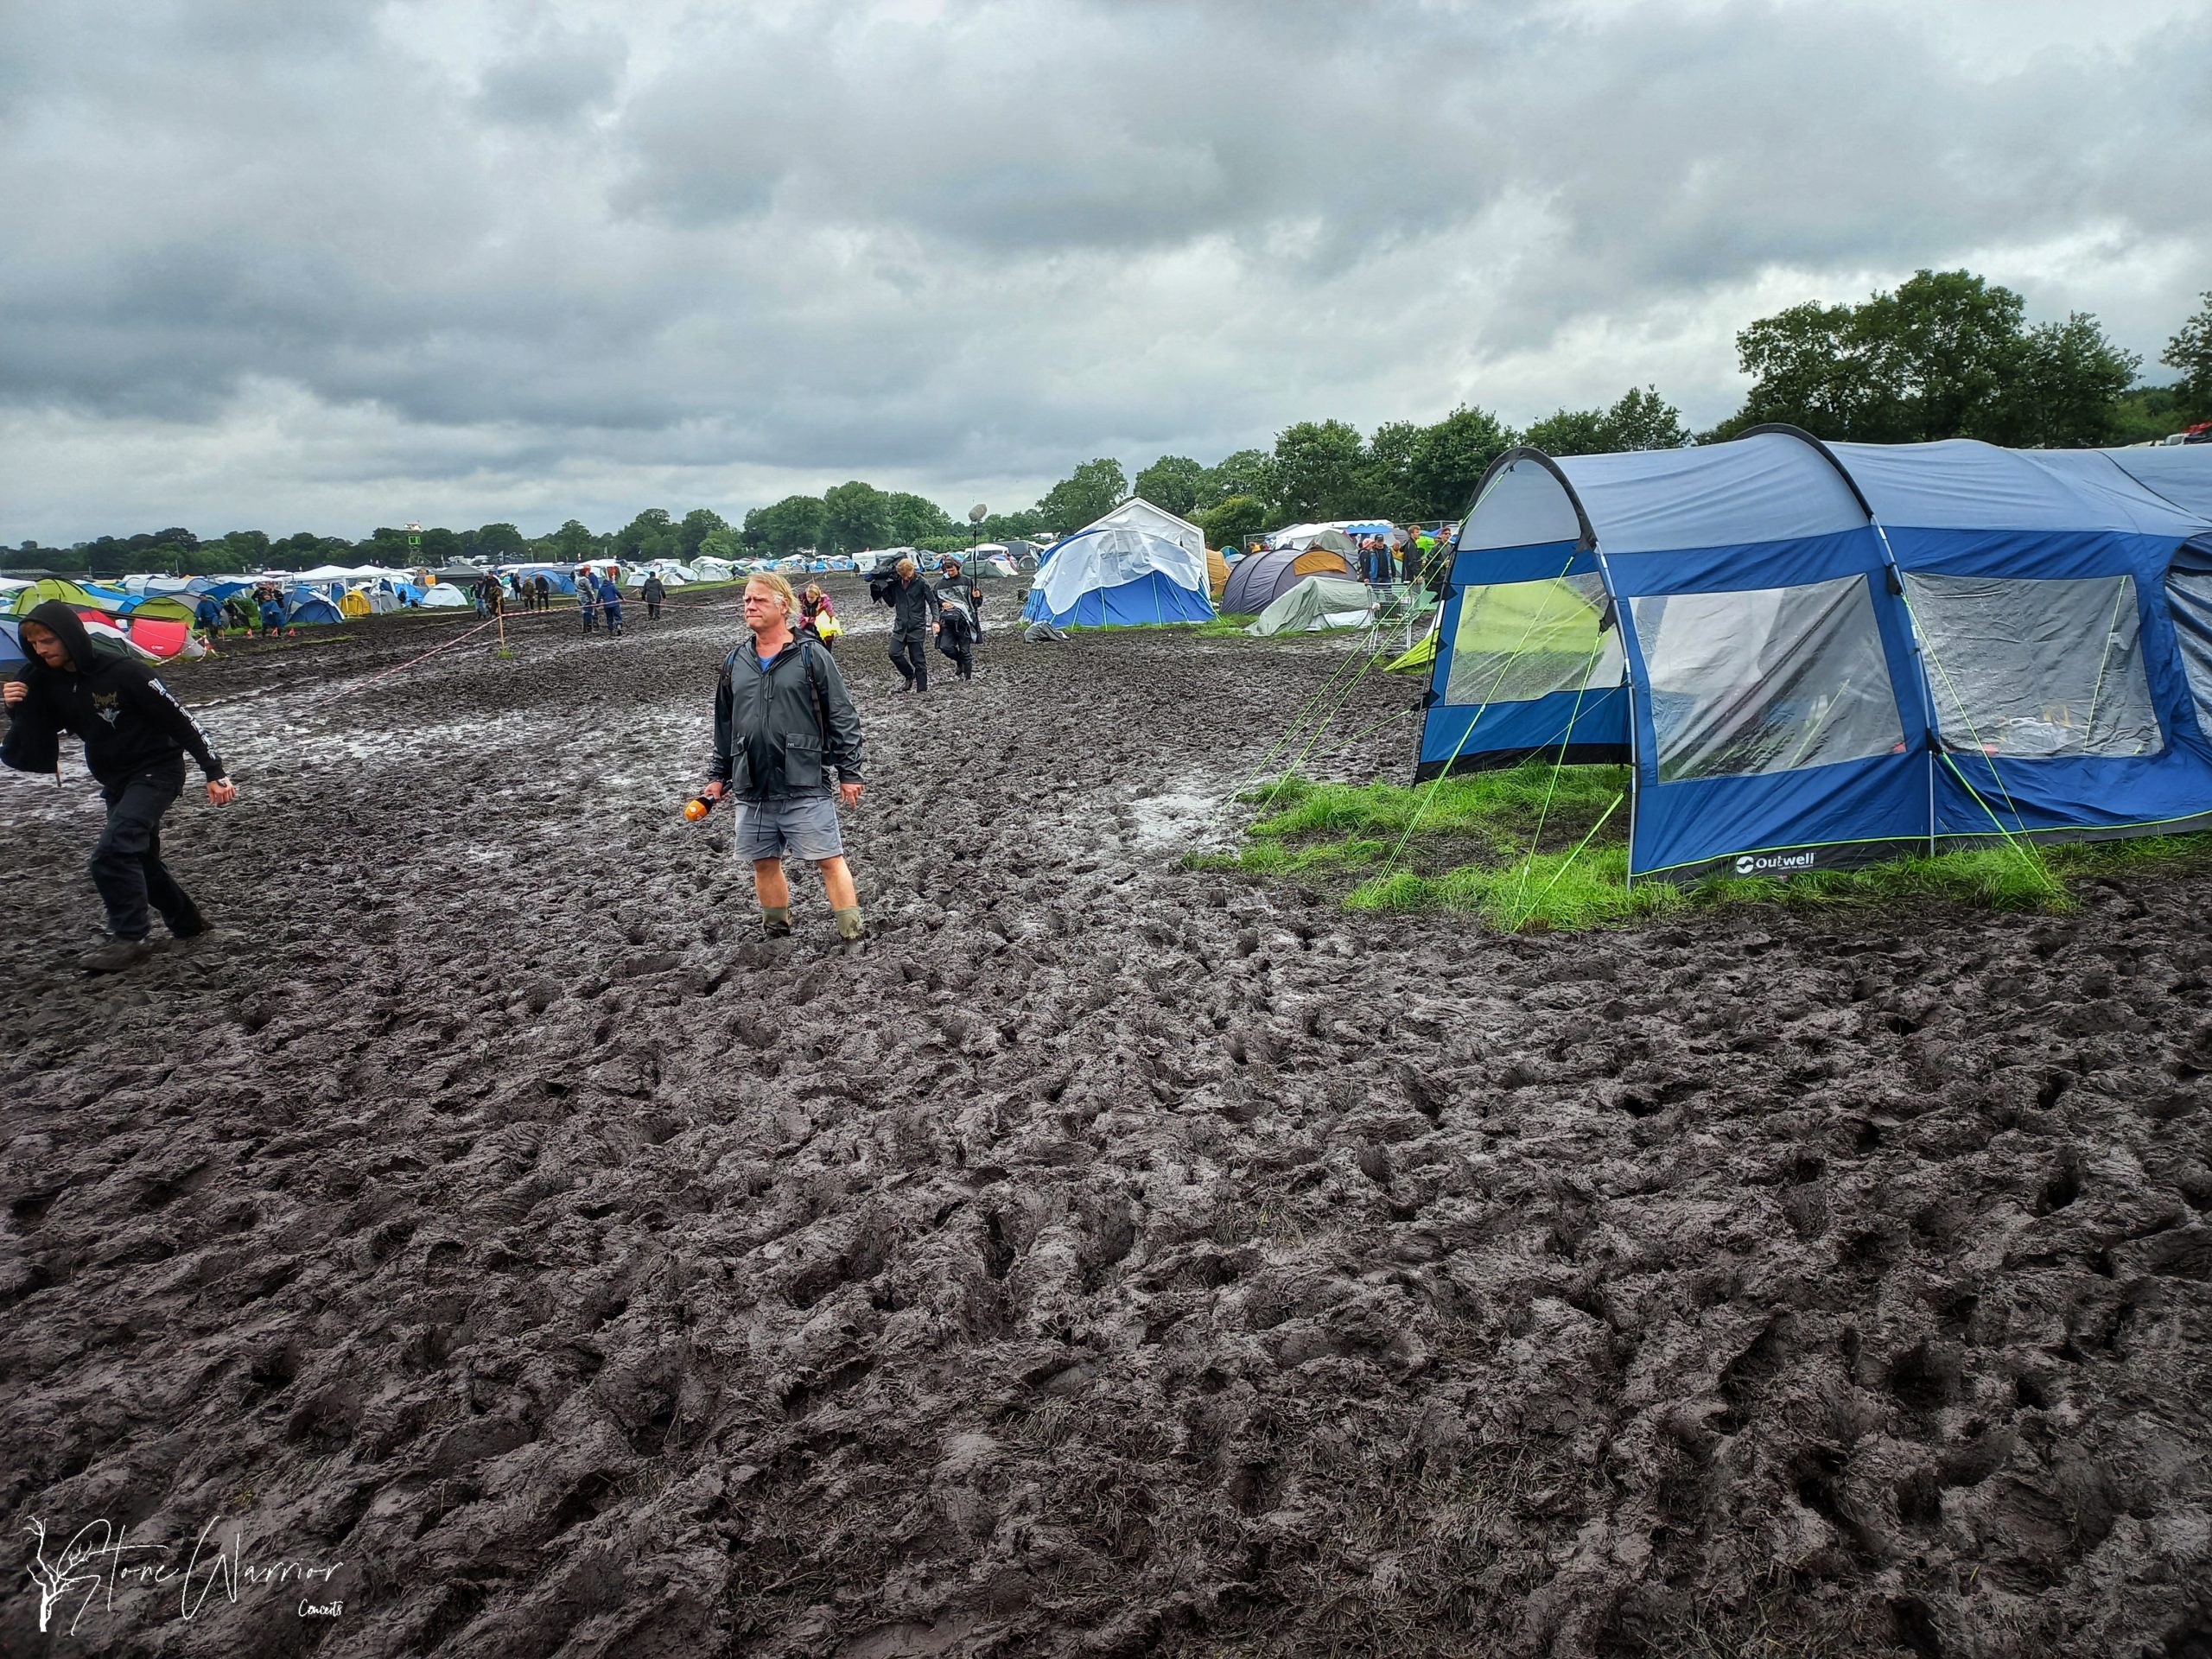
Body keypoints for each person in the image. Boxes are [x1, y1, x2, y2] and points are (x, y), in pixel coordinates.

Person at [3, 602, 239, 971]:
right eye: (33, 643)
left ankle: (131, 938)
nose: (41, 649)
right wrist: (16, 709)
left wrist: (214, 771)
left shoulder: (127, 672)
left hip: (157, 771)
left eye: (48, 640)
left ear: (70, 636)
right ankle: (188, 923)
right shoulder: (43, 680)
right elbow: (38, 736)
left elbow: (182, 721)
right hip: (114, 780)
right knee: (140, 859)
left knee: (113, 853)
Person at [702, 573, 867, 943]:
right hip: (752, 783)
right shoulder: (735, 661)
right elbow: (725, 725)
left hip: (804, 780)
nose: (750, 606)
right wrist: (718, 775)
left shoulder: (811, 656)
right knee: (763, 862)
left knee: (829, 859)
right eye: (746, 600)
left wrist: (849, 771)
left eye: (758, 599)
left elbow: (842, 715)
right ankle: (777, 931)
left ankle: (852, 933)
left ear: (783, 605)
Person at [885, 556, 941, 694]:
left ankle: (922, 690)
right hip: (900, 626)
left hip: (916, 626)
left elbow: (932, 602)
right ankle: (909, 675)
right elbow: (891, 602)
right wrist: (883, 590)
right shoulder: (896, 582)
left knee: (918, 659)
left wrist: (936, 620)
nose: (905, 578)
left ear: (913, 570)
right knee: (894, 653)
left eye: (907, 575)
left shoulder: (922, 582)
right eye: (902, 576)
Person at [932, 556, 979, 683]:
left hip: (965, 622)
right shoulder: (939, 585)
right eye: (948, 571)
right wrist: (942, 603)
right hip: (948, 622)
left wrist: (977, 597)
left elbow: (976, 604)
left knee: (965, 651)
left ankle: (968, 678)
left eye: (952, 570)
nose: (950, 573)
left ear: (957, 568)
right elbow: (934, 601)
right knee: (945, 647)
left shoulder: (967, 581)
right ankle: (960, 661)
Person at [798, 582, 840, 651]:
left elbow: (829, 617)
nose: (809, 599)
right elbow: (801, 616)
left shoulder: (825, 604)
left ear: (817, 596)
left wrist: (809, 619)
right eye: (808, 596)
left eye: (812, 597)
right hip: (809, 631)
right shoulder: (803, 602)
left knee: (826, 653)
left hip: (824, 633)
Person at [597, 571, 624, 637]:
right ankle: (619, 625)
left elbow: (598, 598)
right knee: (617, 616)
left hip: (607, 605)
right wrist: (622, 598)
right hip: (615, 604)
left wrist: (597, 604)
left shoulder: (601, 589)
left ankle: (611, 630)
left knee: (609, 618)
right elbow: (618, 593)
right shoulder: (612, 586)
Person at [577, 569, 599, 633]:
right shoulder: (585, 580)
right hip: (586, 598)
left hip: (579, 597)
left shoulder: (577, 579)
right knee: (588, 613)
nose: (588, 573)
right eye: (587, 572)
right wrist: (593, 599)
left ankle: (584, 628)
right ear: (584, 573)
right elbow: (589, 590)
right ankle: (589, 629)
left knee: (583, 613)